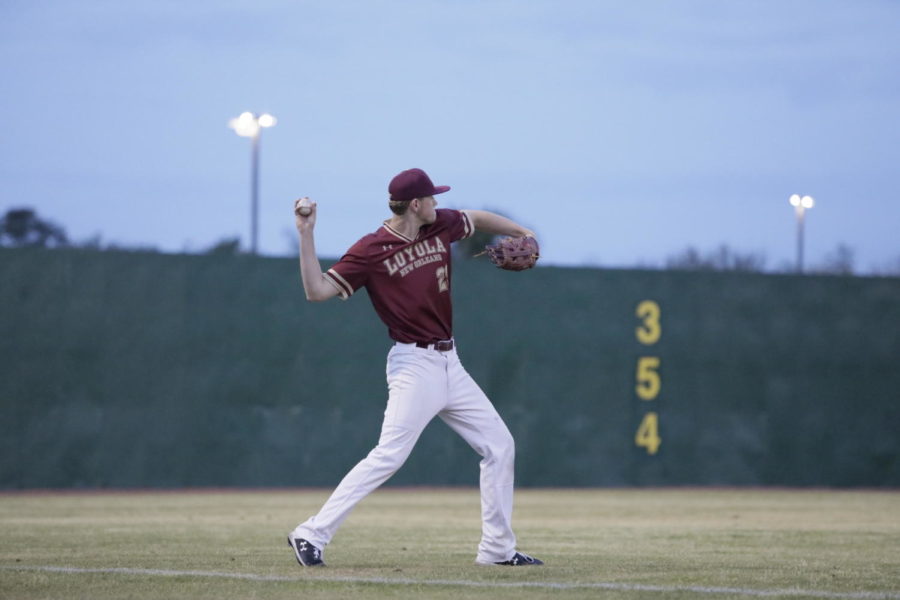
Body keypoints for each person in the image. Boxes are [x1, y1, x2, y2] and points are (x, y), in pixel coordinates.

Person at [287, 167, 543, 567]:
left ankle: (497, 550)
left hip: (450, 364)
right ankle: (311, 533)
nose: (438, 203)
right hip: (413, 364)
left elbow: (477, 218)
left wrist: (521, 232)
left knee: (499, 446)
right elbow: (316, 290)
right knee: (389, 455)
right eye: (432, 197)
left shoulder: (438, 224)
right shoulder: (371, 250)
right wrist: (306, 234)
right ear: (416, 204)